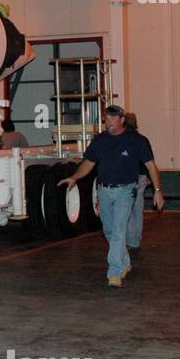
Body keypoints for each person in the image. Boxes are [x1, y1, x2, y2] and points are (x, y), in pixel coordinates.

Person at [59, 105, 164, 288]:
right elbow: (88, 163)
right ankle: (124, 262)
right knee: (109, 231)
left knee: (118, 231)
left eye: (111, 118)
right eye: (106, 118)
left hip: (125, 191)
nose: (107, 121)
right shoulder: (100, 140)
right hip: (104, 191)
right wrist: (75, 177)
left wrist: (157, 191)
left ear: (121, 119)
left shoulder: (136, 141)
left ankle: (114, 272)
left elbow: (151, 166)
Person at [124, 112, 154, 251]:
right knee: (138, 208)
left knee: (127, 209)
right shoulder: (143, 139)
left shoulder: (122, 139)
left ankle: (130, 240)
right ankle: (136, 240)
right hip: (141, 176)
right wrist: (149, 177)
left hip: (128, 177)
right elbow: (150, 161)